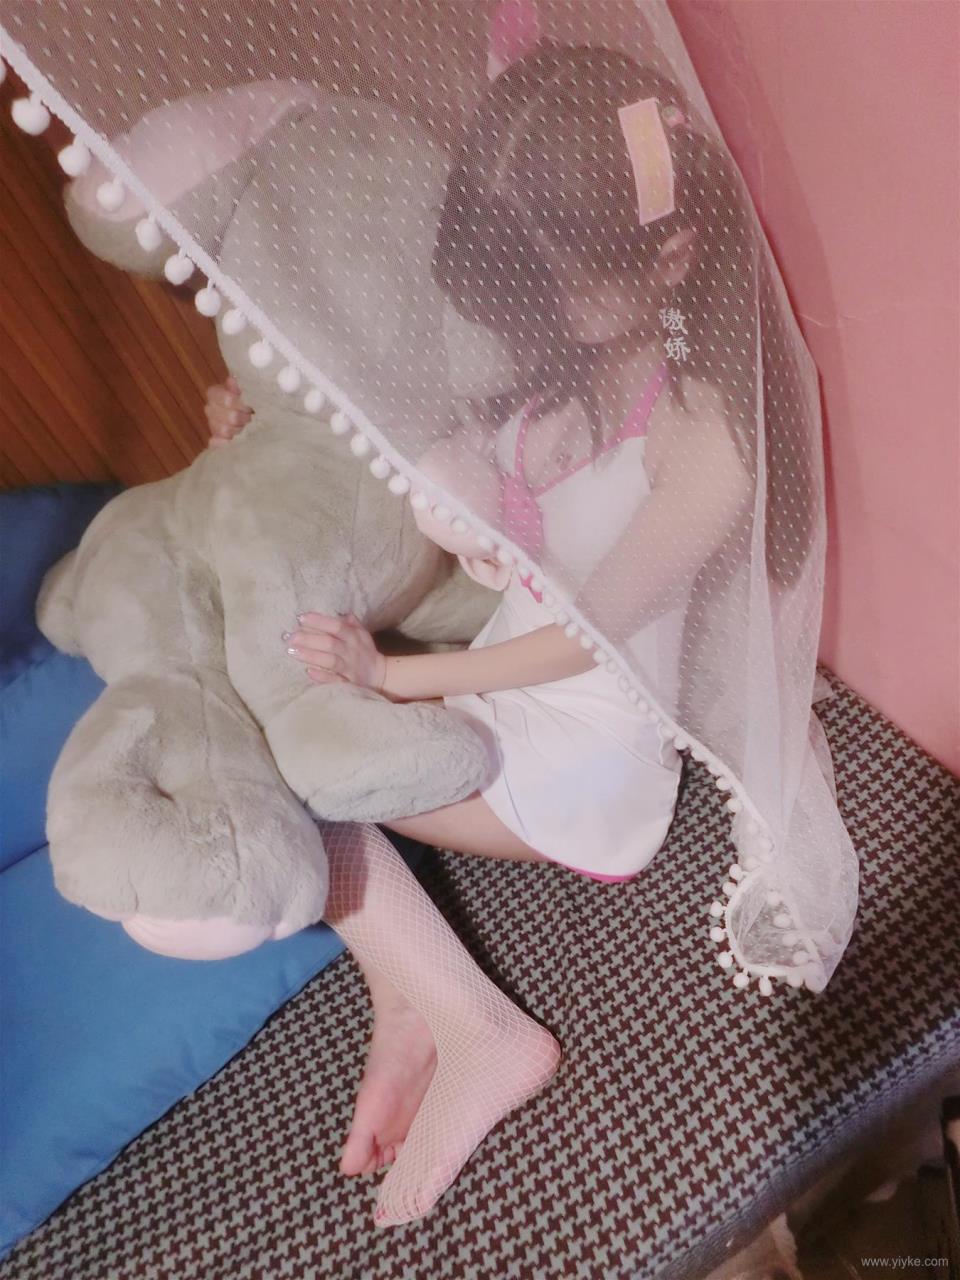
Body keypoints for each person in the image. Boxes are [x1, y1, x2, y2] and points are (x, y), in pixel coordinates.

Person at [207, 42, 754, 1223]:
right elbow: (458, 493)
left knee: (307, 777)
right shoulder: (560, 389)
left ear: (670, 256)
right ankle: (408, 1007)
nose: (532, 310)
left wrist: (393, 677)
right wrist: (265, 431)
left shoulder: (701, 440)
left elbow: (588, 640)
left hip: (586, 761)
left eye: (558, 285)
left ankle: (481, 1030)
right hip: (510, 699)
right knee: (286, 722)